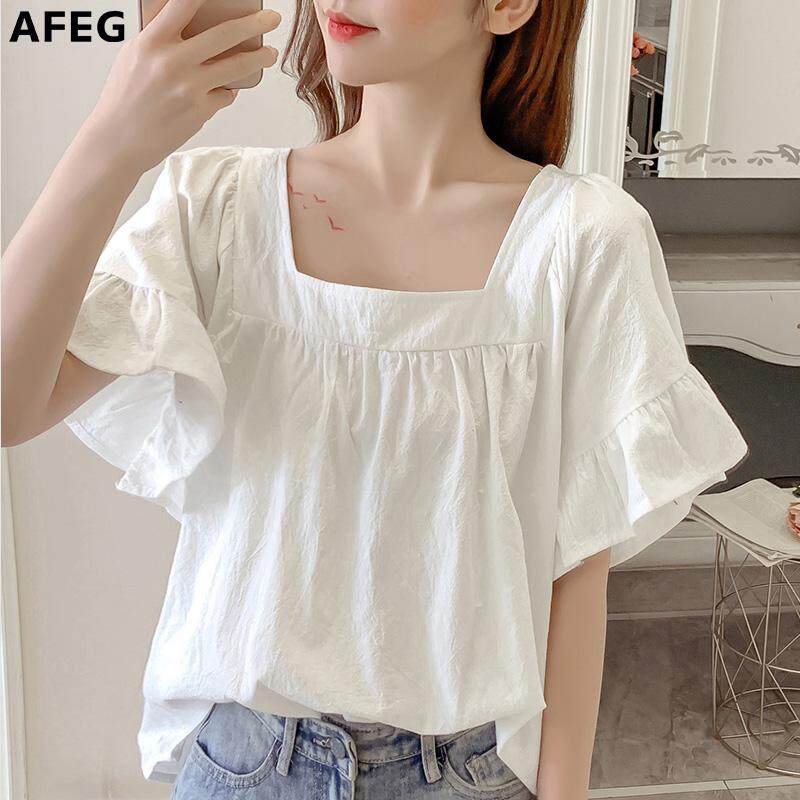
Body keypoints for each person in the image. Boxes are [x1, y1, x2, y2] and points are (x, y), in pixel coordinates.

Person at [1, 1, 749, 798]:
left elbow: (578, 565)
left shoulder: (583, 238)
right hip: (246, 765)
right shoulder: (218, 205)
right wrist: (113, 141)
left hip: (469, 773)